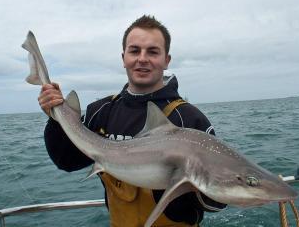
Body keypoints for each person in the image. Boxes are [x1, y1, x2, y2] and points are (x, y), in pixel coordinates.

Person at [38, 15, 226, 227]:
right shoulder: (101, 111)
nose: (142, 58)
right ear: (124, 57)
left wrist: (187, 185)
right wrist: (55, 120)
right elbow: (67, 161)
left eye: (153, 52)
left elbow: (217, 204)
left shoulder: (190, 119)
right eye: (135, 50)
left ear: (167, 60)